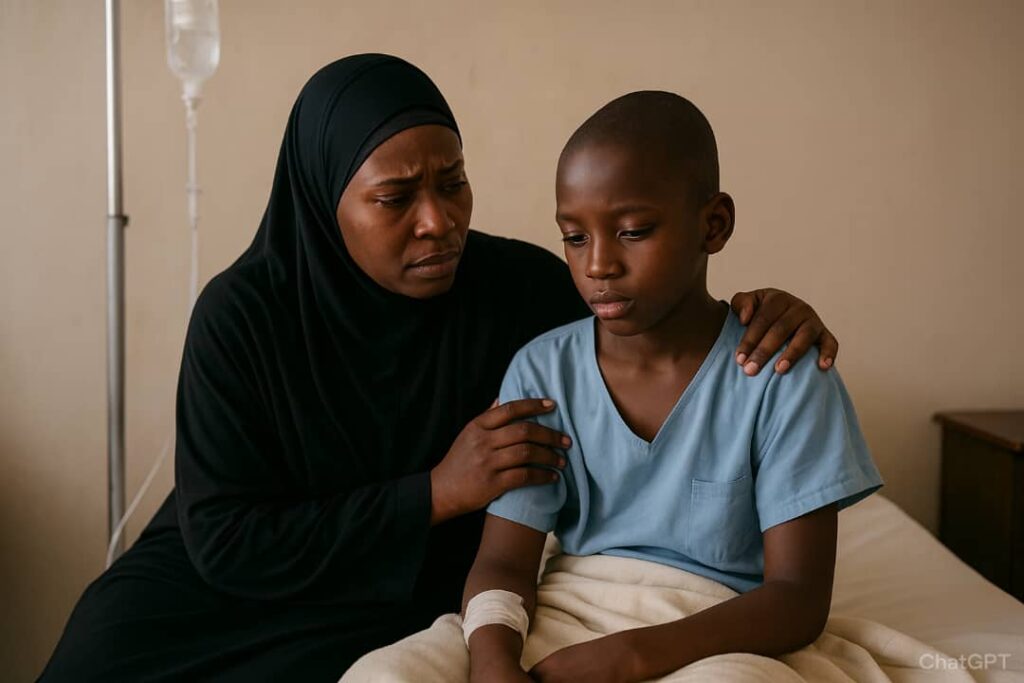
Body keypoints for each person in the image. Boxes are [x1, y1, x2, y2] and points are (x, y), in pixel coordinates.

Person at [39, 56, 840, 682]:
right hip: (224, 590)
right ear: (325, 203)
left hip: (399, 595)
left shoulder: (520, 289)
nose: (440, 221)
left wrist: (773, 311)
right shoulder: (242, 316)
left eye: (453, 183)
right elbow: (227, 540)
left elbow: (655, 313)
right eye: (396, 199)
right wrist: (437, 491)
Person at [343, 91, 882, 683]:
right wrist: (494, 661)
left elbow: (798, 599)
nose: (598, 264)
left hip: (720, 630)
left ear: (714, 225)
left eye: (633, 232)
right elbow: (505, 563)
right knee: (386, 673)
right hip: (565, 611)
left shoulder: (782, 374)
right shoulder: (543, 371)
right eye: (575, 238)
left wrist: (630, 656)